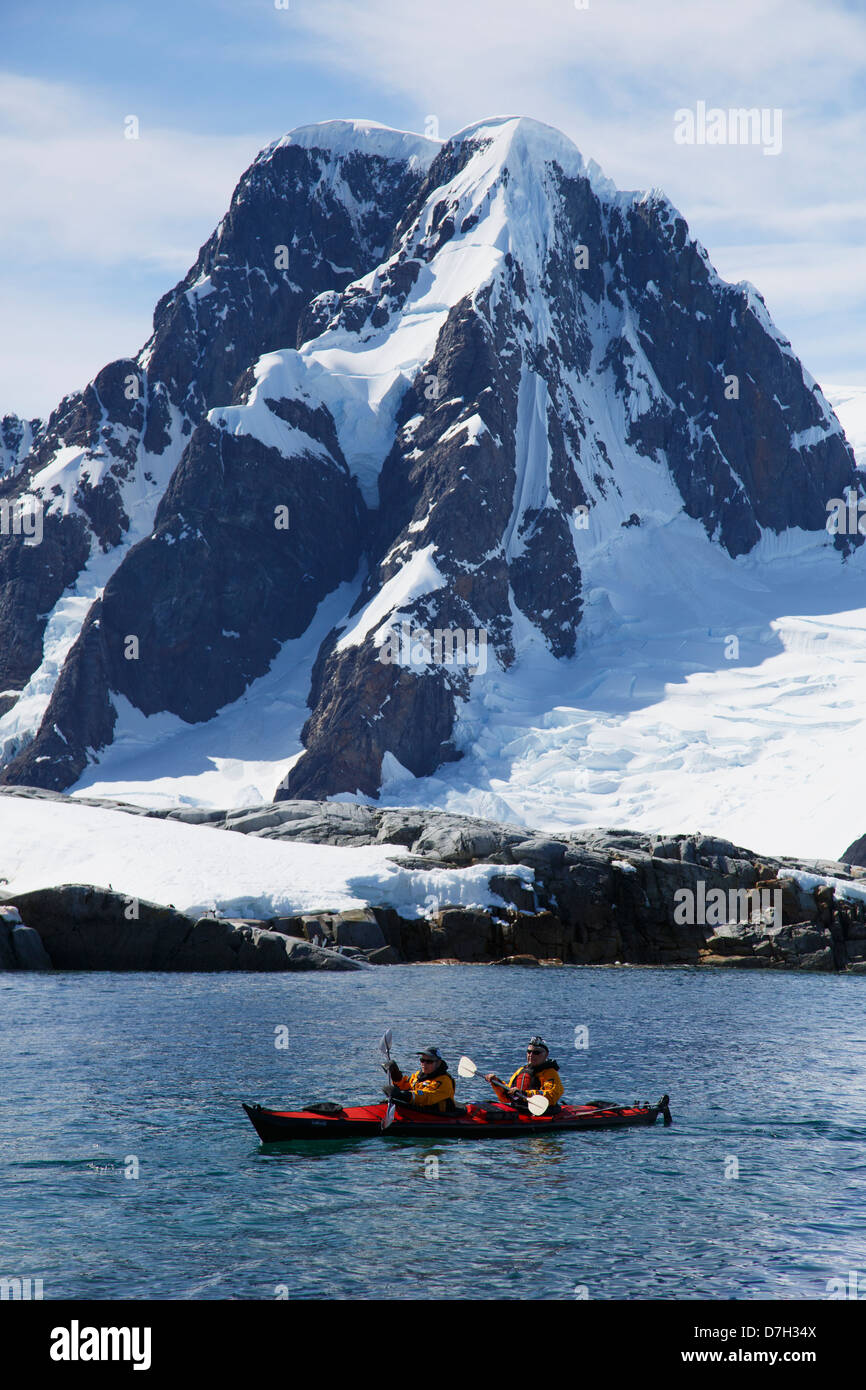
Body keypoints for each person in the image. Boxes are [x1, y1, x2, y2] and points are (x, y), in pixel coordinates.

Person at [485, 1036, 564, 1109]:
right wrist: (495, 1082)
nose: (531, 1055)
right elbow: (506, 1097)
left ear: (546, 1055)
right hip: (519, 1110)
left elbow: (551, 1096)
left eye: (536, 1052)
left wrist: (524, 1094)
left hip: (540, 1113)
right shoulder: (521, 1071)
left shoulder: (550, 1073)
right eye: (529, 1052)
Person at [386, 1046, 456, 1112]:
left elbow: (427, 1097)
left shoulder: (444, 1081)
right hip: (419, 1111)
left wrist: (405, 1095)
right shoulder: (419, 1075)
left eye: (429, 1061)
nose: (424, 1064)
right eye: (422, 1060)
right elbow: (407, 1086)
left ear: (438, 1063)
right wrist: (395, 1075)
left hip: (437, 1115)